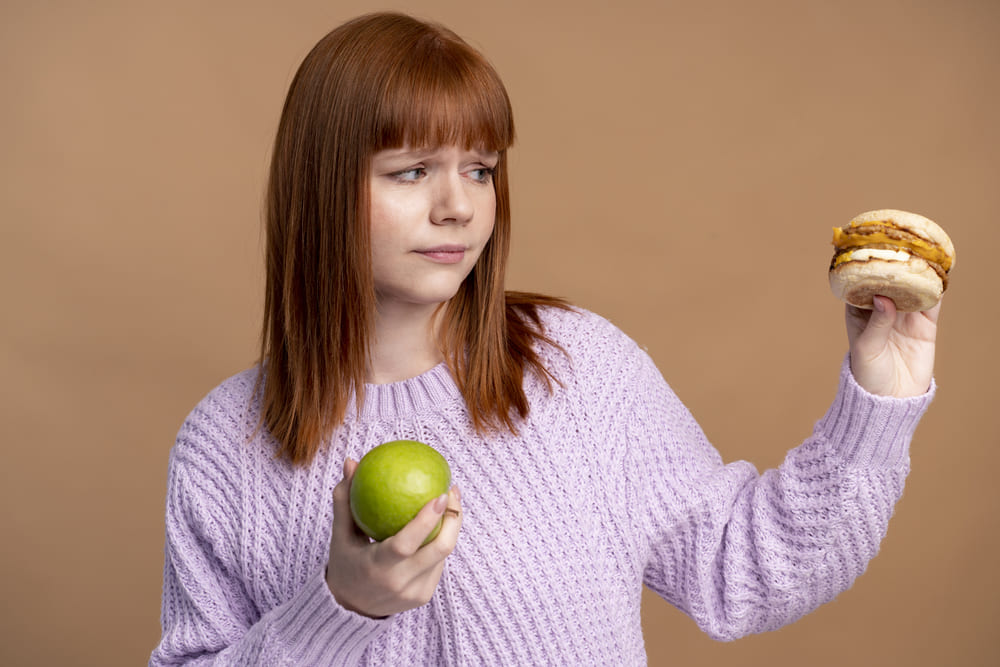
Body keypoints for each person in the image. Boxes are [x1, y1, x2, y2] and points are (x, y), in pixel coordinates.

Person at [150, 11, 940, 666]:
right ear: (323, 186)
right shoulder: (223, 446)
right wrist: (339, 607)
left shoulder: (579, 368)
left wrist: (880, 397)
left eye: (480, 168)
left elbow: (745, 568)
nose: (459, 206)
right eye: (412, 170)